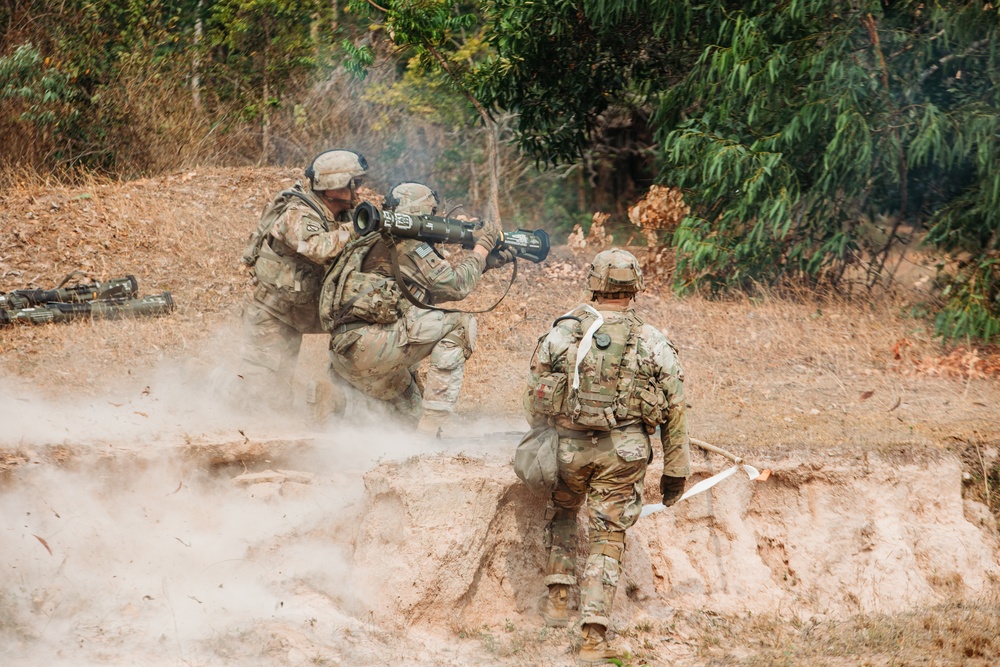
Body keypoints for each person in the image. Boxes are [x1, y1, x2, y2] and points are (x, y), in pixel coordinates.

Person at [523, 248, 690, 664]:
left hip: (566, 448)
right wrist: (676, 472)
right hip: (624, 453)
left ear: (593, 283)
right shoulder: (653, 340)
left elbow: (532, 401)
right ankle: (594, 634)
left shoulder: (562, 332)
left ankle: (558, 600)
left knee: (563, 511)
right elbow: (675, 409)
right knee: (608, 534)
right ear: (635, 287)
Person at [325, 181, 514, 434]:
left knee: (408, 423)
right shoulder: (408, 245)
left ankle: (337, 404)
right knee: (459, 324)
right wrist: (481, 250)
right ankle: (438, 418)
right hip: (371, 349)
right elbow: (457, 286)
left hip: (345, 354)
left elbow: (427, 294)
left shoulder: (369, 239)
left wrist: (484, 264)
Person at [237, 148, 368, 410]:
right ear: (333, 187)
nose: (360, 191)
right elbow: (319, 248)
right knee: (259, 400)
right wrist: (358, 229)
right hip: (272, 315)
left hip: (306, 312)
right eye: (355, 184)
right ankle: (204, 377)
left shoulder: (343, 215)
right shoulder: (297, 213)